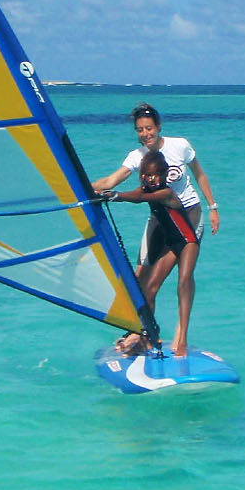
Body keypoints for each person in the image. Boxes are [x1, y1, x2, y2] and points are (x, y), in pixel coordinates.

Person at [91, 102, 219, 358]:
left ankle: (181, 335)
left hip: (189, 216)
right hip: (159, 220)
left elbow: (200, 175)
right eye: (140, 130)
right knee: (141, 281)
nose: (145, 133)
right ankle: (141, 333)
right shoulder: (137, 157)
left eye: (149, 128)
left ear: (158, 127)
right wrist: (75, 189)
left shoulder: (179, 146)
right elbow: (110, 182)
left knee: (184, 278)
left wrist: (213, 206)